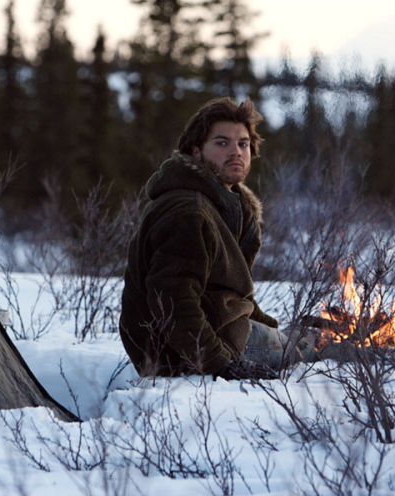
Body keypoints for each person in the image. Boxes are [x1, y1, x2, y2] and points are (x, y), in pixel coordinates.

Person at [119, 97, 291, 380]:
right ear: (196, 151)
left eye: (243, 144)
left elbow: (232, 293)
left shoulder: (231, 205)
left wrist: (270, 327)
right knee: (320, 347)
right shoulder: (188, 211)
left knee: (306, 337)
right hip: (179, 354)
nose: (236, 152)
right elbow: (172, 299)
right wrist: (220, 365)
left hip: (217, 333)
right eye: (222, 143)